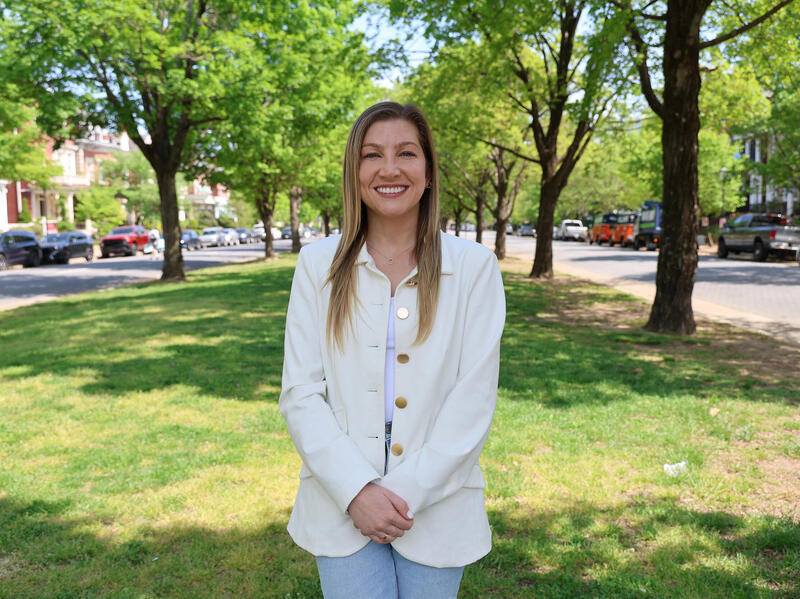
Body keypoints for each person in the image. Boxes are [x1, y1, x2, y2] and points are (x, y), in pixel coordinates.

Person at [279, 102, 506, 598]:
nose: (389, 169)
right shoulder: (318, 265)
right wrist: (357, 491)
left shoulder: (474, 268)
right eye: (372, 155)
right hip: (340, 501)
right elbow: (300, 391)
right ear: (355, 173)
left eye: (406, 153)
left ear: (427, 173)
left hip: (438, 502)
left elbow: (473, 403)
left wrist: (400, 494)